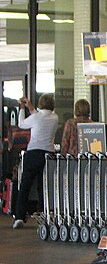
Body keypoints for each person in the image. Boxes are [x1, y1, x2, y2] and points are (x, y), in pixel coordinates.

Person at [12, 93, 58, 228]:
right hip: (48, 154)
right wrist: (31, 107)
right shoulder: (55, 118)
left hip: (33, 153)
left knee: (25, 185)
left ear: (40, 104)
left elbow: (21, 124)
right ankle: (45, 216)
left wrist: (21, 108)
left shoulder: (36, 117)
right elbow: (40, 116)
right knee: (43, 186)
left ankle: (19, 217)